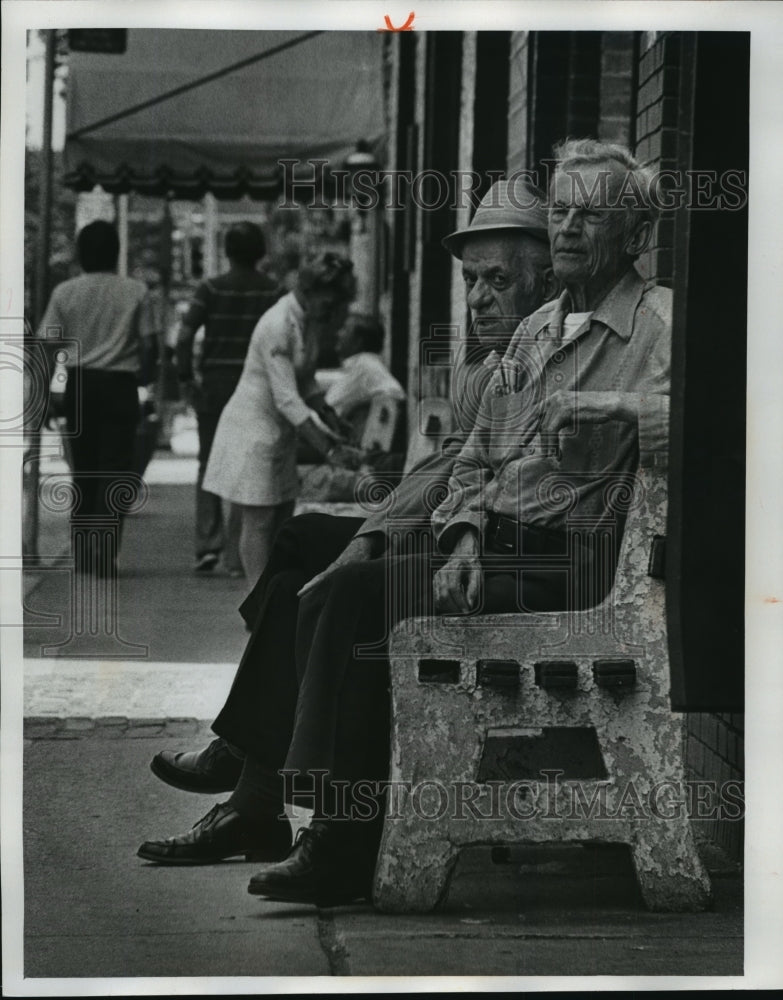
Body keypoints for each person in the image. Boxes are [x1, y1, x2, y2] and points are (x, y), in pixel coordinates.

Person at [243, 138, 671, 906]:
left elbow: (733, 417)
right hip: (502, 552)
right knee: (358, 588)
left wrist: (621, 407)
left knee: (354, 596)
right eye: (562, 212)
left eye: (591, 214)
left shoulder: (660, 324)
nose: (568, 229)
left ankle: (336, 835)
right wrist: (464, 536)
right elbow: (473, 464)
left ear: (635, 235)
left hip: (584, 564)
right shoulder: (538, 330)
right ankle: (328, 821)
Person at [137, 177, 555, 865]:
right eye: (469, 280)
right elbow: (448, 468)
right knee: (301, 538)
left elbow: (473, 478)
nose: (476, 298)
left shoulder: (546, 356)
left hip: (492, 545)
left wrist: (372, 540)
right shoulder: (490, 362)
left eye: (496, 281)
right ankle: (250, 776)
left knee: (331, 578)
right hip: (456, 527)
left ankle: (252, 783)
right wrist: (367, 534)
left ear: (544, 280)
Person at [200, 251, 359, 584]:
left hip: (278, 433)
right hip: (252, 431)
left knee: (281, 517)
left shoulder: (305, 321)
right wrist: (329, 450)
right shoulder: (277, 324)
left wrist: (331, 419)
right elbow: (287, 398)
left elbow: (306, 380)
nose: (330, 314)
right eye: (328, 304)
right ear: (310, 292)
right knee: (258, 521)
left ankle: (270, 598)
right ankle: (256, 604)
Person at [36, 220, 157, 576]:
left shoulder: (65, 293)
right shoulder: (136, 291)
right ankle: (104, 552)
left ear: (80, 254)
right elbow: (150, 344)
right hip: (120, 387)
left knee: (83, 471)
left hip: (79, 387)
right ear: (117, 253)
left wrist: (43, 395)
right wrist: (145, 375)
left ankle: (83, 552)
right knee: (115, 471)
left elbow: (47, 346)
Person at [176, 221, 281, 574]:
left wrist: (185, 376)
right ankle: (239, 553)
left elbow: (186, 334)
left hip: (216, 383)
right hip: (257, 384)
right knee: (249, 462)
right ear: (261, 253)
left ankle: (208, 545)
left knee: (209, 461)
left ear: (226, 251)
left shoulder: (210, 289)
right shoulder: (272, 291)